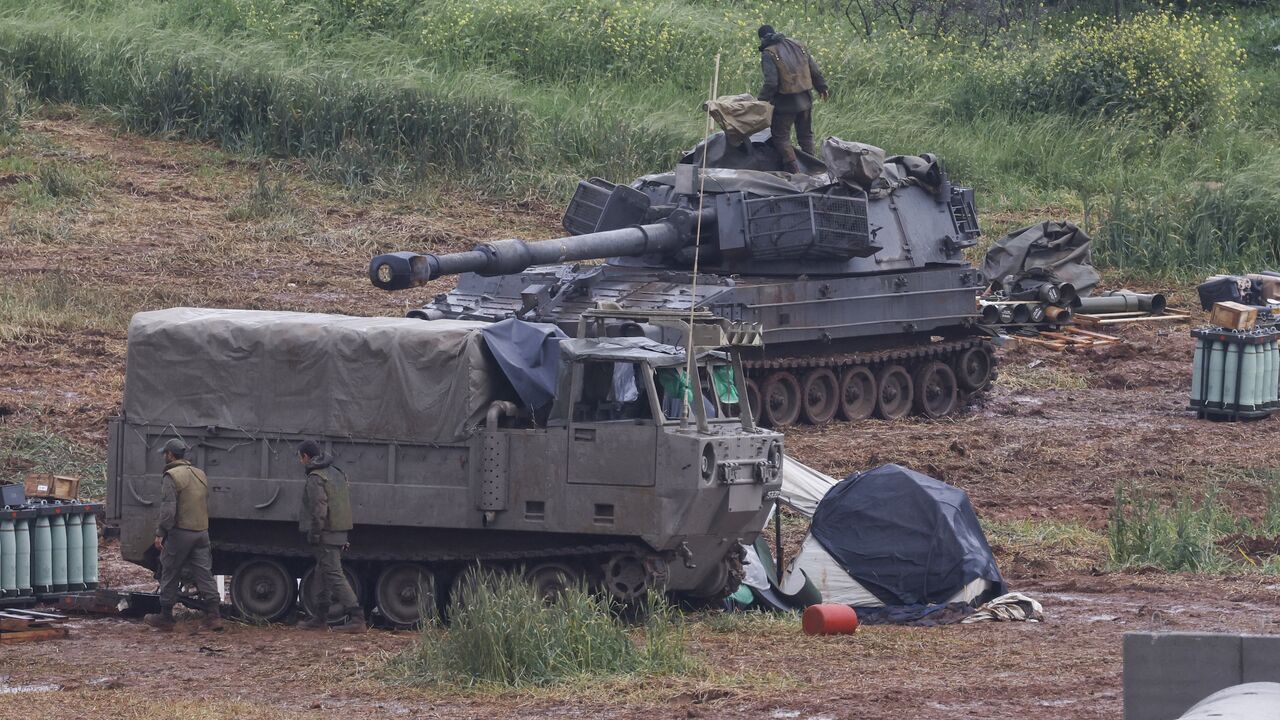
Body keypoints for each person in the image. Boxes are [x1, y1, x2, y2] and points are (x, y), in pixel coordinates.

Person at [144, 438, 223, 632]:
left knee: (169, 570)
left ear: (170, 455)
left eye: (165, 453)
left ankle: (166, 616)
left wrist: (161, 533)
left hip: (181, 532)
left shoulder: (171, 476)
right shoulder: (200, 474)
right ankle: (214, 616)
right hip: (202, 532)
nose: (164, 456)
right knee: (204, 573)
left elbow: (169, 510)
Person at [297, 440, 365, 632]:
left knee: (334, 574)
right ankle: (320, 616)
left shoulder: (315, 477)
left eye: (300, 457)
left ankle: (357, 617)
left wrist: (314, 534)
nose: (300, 461)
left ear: (306, 456)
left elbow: (319, 510)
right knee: (322, 573)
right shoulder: (336, 473)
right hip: (339, 531)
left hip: (326, 533)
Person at [757, 24, 829, 174]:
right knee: (806, 135)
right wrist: (822, 87)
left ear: (762, 38)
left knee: (781, 137)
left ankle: (794, 172)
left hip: (785, 104)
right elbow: (813, 69)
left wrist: (760, 102)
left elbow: (771, 83)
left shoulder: (768, 53)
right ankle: (814, 170)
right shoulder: (797, 45)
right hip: (806, 99)